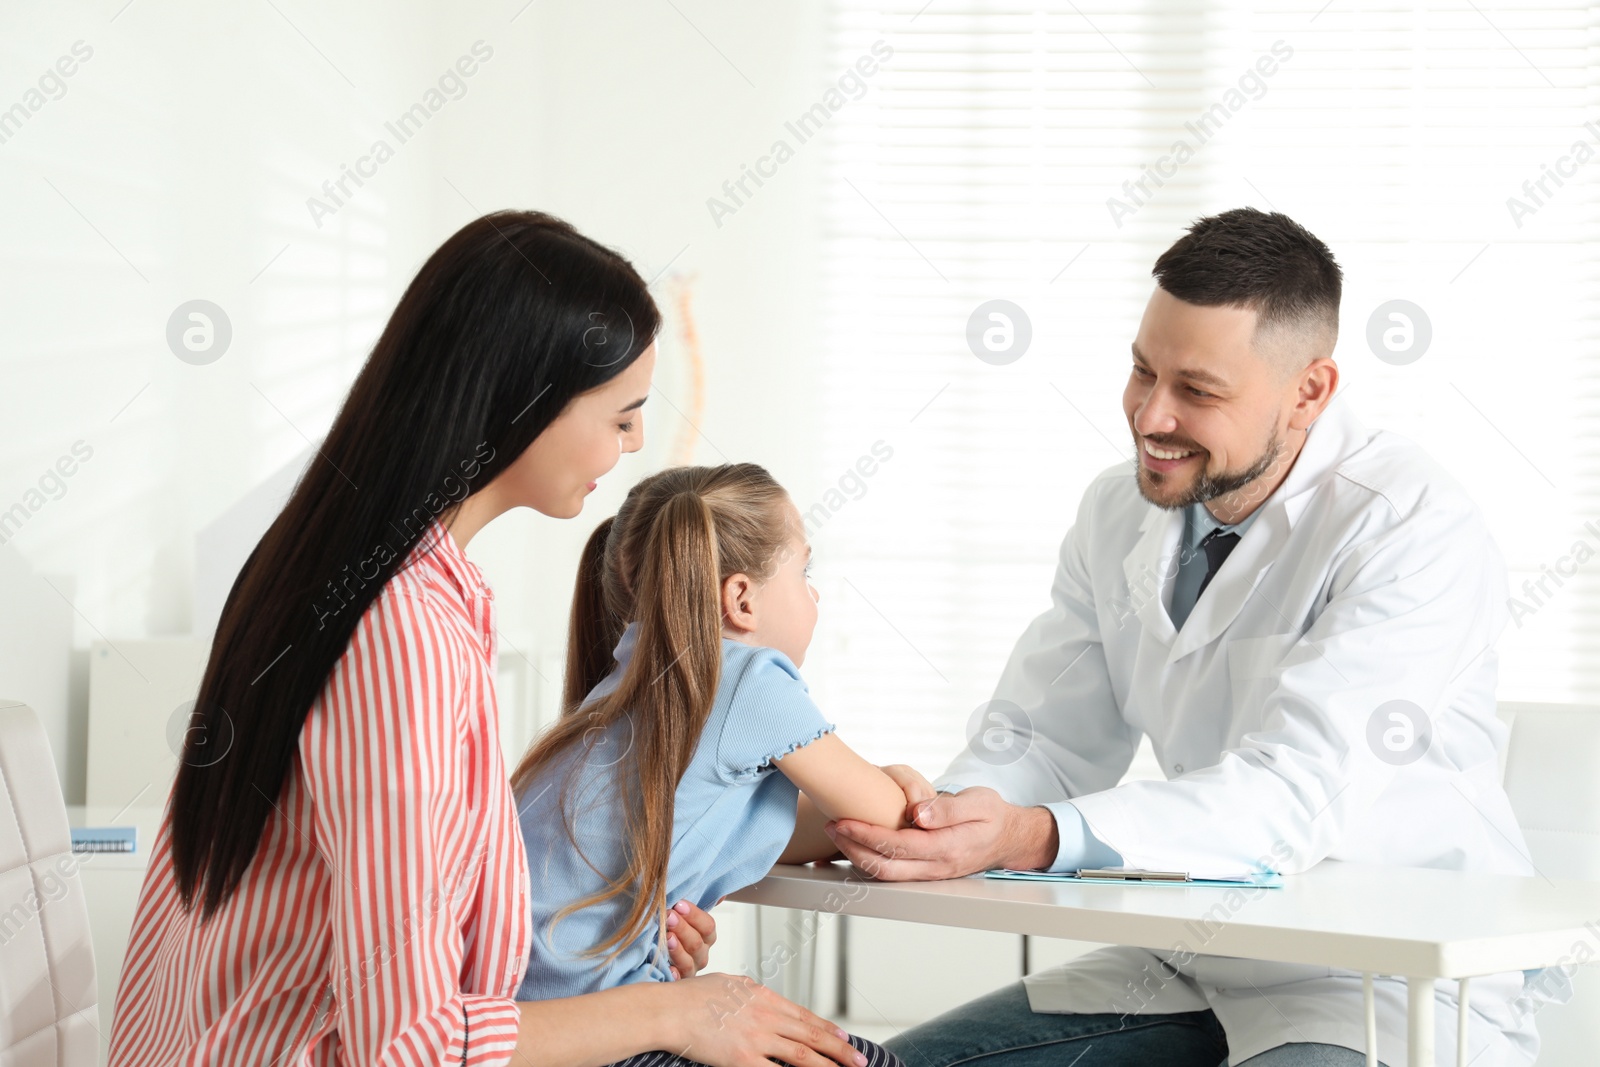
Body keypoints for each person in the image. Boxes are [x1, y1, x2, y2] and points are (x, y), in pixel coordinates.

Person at [108, 211, 875, 1067]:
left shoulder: (354, 571)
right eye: (622, 414)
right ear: (527, 401)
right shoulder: (405, 634)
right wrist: (670, 1012)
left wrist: (604, 927)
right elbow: (410, 1045)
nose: (636, 443)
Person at [825, 208, 1542, 1066]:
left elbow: (1291, 796)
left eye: (1197, 391)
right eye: (1140, 370)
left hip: (1378, 982)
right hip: (1193, 961)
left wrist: (1030, 835)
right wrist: (942, 818)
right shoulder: (1116, 509)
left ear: (1310, 390)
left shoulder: (1412, 526)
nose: (1150, 416)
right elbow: (1047, 739)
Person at [511, 462, 921, 1067]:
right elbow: (890, 820)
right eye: (804, 571)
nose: (814, 594)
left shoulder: (624, 688)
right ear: (742, 599)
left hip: (534, 1028)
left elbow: (784, 833)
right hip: (604, 1037)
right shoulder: (747, 677)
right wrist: (900, 781)